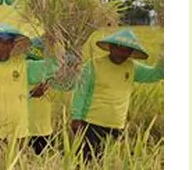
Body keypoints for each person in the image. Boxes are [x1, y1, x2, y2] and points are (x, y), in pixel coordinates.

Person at [0, 25, 72, 148]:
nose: (4, 46)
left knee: (17, 165)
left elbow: (53, 65)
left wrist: (54, 43)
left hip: (18, 131)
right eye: (0, 42)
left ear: (13, 45)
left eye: (8, 42)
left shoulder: (24, 67)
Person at [70, 29, 164, 160]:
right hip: (90, 123)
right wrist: (76, 118)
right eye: (118, 48)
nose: (122, 53)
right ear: (110, 47)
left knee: (106, 162)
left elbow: (155, 75)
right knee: (85, 162)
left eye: (127, 50)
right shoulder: (93, 65)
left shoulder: (132, 67)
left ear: (131, 52)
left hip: (116, 125)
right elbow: (81, 92)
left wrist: (164, 58)